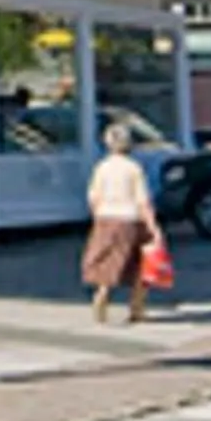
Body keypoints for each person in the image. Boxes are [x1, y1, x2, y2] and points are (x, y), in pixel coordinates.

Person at [81, 120, 161, 326]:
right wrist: (153, 226)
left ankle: (103, 291)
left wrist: (97, 216)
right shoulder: (133, 168)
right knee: (138, 265)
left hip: (106, 218)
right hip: (130, 219)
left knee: (107, 260)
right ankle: (137, 308)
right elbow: (142, 199)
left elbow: (93, 196)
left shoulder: (102, 167)